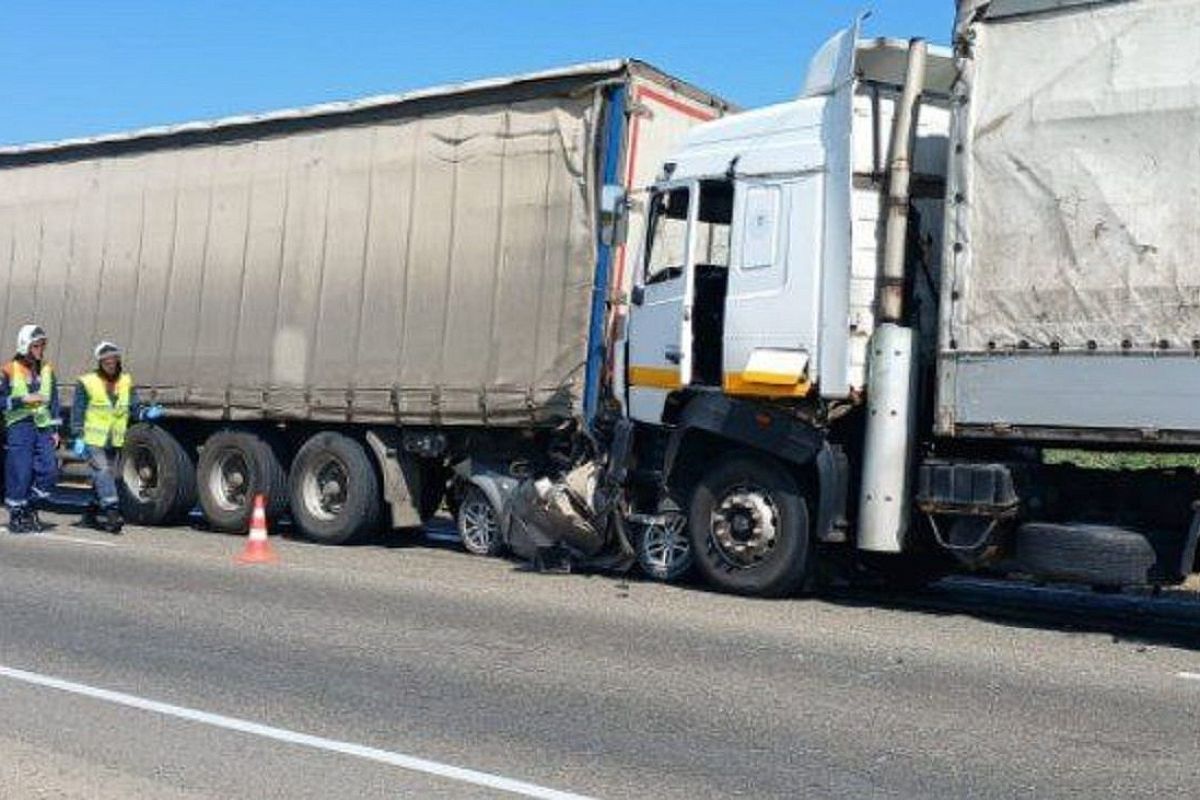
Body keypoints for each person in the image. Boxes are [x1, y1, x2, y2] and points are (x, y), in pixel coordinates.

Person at [69, 341, 163, 534]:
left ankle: (90, 514)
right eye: (107, 361)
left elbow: (134, 409)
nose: (111, 364)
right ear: (100, 363)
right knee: (103, 471)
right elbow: (77, 411)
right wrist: (78, 435)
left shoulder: (125, 381)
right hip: (93, 438)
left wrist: (147, 414)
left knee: (105, 477)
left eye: (114, 360)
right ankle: (112, 514)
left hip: (114, 439)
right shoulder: (86, 382)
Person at [0, 324, 62, 533]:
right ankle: (17, 513)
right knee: (21, 471)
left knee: (50, 470)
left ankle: (29, 504)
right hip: (19, 426)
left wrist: (55, 429)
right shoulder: (8, 369)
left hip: (43, 426)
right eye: (36, 345)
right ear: (25, 345)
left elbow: (53, 399)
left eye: (43, 345)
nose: (41, 349)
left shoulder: (47, 369)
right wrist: (21, 400)